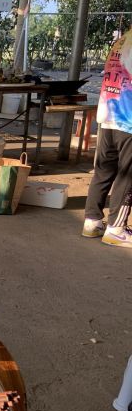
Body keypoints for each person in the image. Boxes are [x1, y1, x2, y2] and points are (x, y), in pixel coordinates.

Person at [83, 27, 132, 247]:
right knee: (127, 175)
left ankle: (92, 222)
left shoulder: (122, 41)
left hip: (108, 115)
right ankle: (116, 230)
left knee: (104, 170)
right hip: (128, 119)